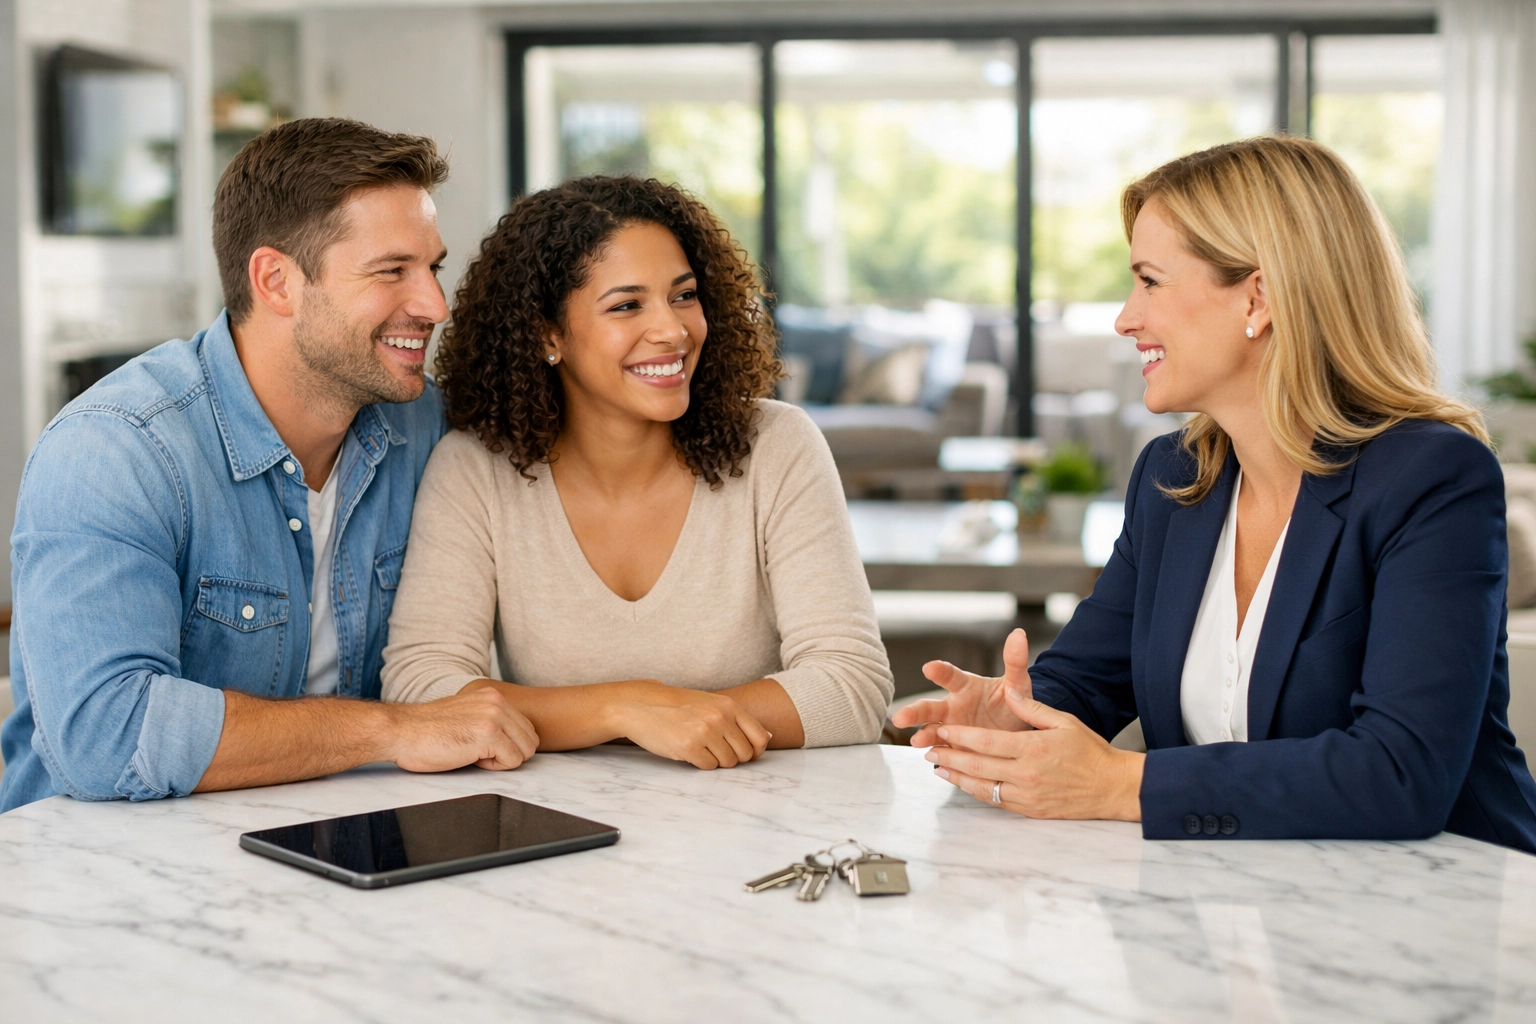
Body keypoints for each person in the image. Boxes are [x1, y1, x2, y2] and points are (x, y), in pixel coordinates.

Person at [894, 135, 1536, 852]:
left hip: (1449, 917)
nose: (1125, 317)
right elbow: (1089, 678)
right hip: (1227, 911)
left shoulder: (1432, 479)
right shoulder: (1172, 478)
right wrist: (1016, 714)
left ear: (1257, 297)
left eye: (1150, 281)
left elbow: (1399, 773)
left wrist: (1122, 785)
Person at [0, 118, 539, 813]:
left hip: (331, 839)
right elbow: (107, 736)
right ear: (276, 280)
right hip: (106, 873)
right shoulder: (115, 450)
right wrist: (395, 731)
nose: (434, 305)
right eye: (391, 271)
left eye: (431, 268)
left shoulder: (425, 426)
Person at [380, 175, 892, 768]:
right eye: (627, 305)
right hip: (565, 826)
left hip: (763, 824)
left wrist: (665, 721)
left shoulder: (777, 446)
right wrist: (626, 710)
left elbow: (850, 687)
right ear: (549, 335)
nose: (673, 330)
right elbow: (423, 689)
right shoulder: (475, 470)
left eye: (684, 295)